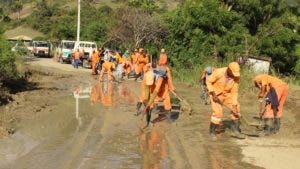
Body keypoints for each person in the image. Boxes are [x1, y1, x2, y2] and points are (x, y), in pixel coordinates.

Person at [207, 62, 244, 139]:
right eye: (233, 73)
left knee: (236, 108)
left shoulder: (236, 77)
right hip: (215, 93)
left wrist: (234, 105)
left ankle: (235, 130)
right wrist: (213, 93)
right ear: (229, 69)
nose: (234, 75)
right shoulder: (219, 72)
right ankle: (212, 132)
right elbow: (208, 81)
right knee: (218, 112)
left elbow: (234, 91)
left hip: (227, 94)